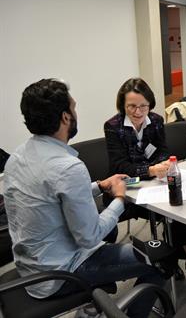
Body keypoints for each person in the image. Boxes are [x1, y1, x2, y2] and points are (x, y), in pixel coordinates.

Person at [3, 79, 165, 318]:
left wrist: (100, 186)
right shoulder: (68, 167)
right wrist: (120, 200)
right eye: (74, 107)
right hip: (62, 272)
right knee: (162, 256)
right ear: (66, 117)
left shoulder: (17, 157)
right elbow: (90, 237)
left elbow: (52, 196)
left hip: (30, 269)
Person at [104, 78, 186, 288]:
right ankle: (166, 259)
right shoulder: (113, 126)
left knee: (178, 205)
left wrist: (162, 164)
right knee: (167, 207)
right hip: (126, 188)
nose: (138, 111)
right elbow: (119, 165)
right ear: (122, 106)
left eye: (143, 105)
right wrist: (150, 169)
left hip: (153, 184)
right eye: (131, 106)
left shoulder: (156, 120)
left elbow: (162, 150)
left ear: (150, 104)